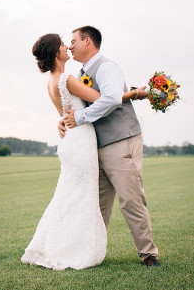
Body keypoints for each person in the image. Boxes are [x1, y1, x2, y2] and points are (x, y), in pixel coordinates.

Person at [21, 33, 148, 270]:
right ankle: (75, 248)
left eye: (70, 42)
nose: (67, 46)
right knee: (82, 197)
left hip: (71, 141)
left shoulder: (53, 80)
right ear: (55, 52)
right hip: (81, 141)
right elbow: (103, 99)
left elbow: (67, 109)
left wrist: (63, 119)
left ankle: (66, 245)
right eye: (62, 44)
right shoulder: (67, 78)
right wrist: (133, 94)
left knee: (71, 195)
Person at [60, 25, 160, 267]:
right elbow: (82, 104)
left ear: (87, 41)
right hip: (96, 147)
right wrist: (64, 120)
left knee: (131, 199)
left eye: (73, 41)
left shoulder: (107, 67)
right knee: (98, 204)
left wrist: (80, 118)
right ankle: (92, 253)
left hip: (121, 141)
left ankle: (148, 254)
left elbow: (112, 99)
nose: (70, 46)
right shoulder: (82, 73)